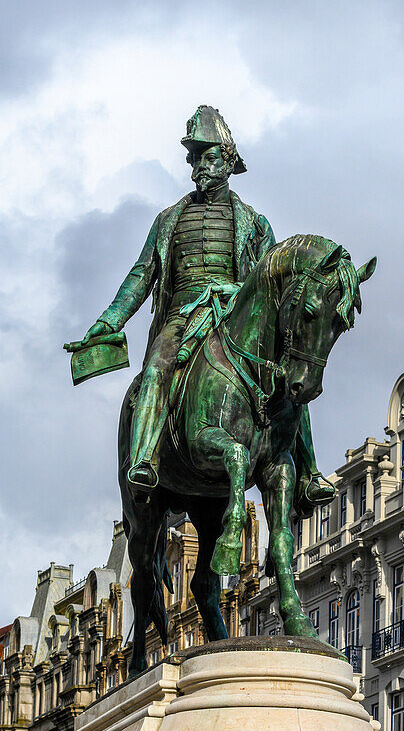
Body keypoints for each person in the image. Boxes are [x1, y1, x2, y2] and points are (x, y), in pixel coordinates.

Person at [81, 105, 334, 510]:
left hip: (235, 313)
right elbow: (141, 275)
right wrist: (109, 319)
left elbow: (274, 282)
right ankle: (145, 458)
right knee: (155, 370)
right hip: (182, 316)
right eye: (194, 157)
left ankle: (308, 473)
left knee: (290, 383)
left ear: (228, 161)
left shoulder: (254, 222)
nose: (199, 165)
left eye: (208, 156)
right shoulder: (169, 219)